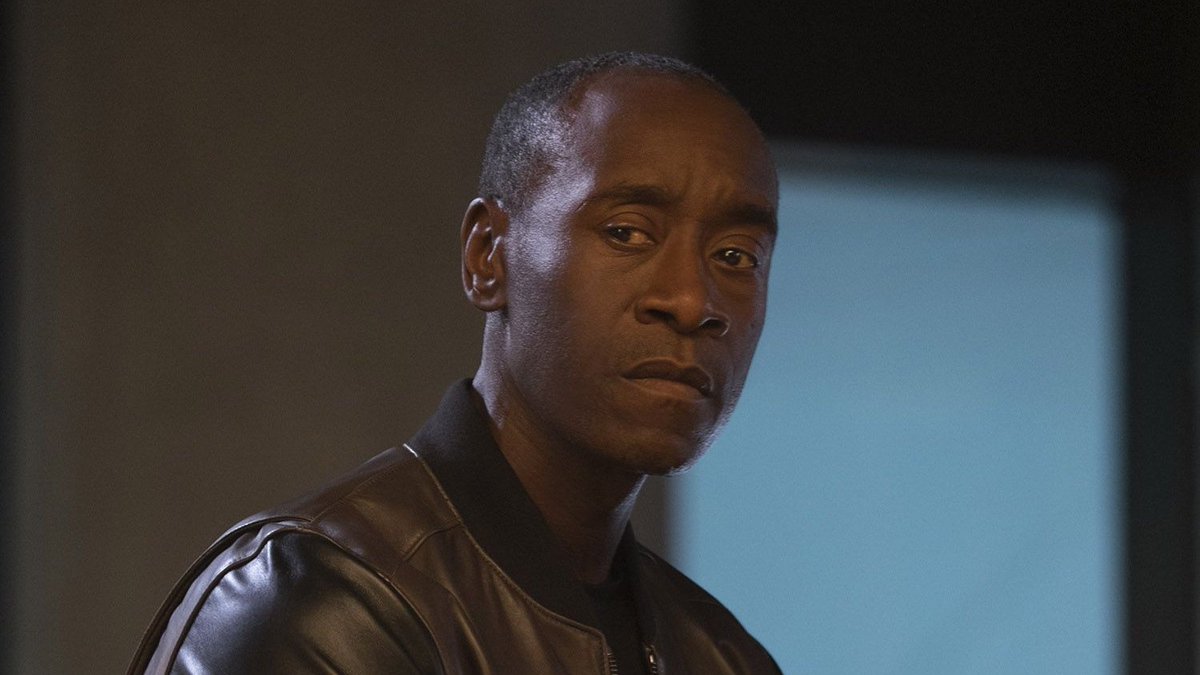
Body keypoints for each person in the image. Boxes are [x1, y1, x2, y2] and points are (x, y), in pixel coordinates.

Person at [130, 52, 781, 674]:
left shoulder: (723, 656)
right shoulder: (328, 599)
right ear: (487, 256)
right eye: (627, 232)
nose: (692, 301)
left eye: (736, 256)